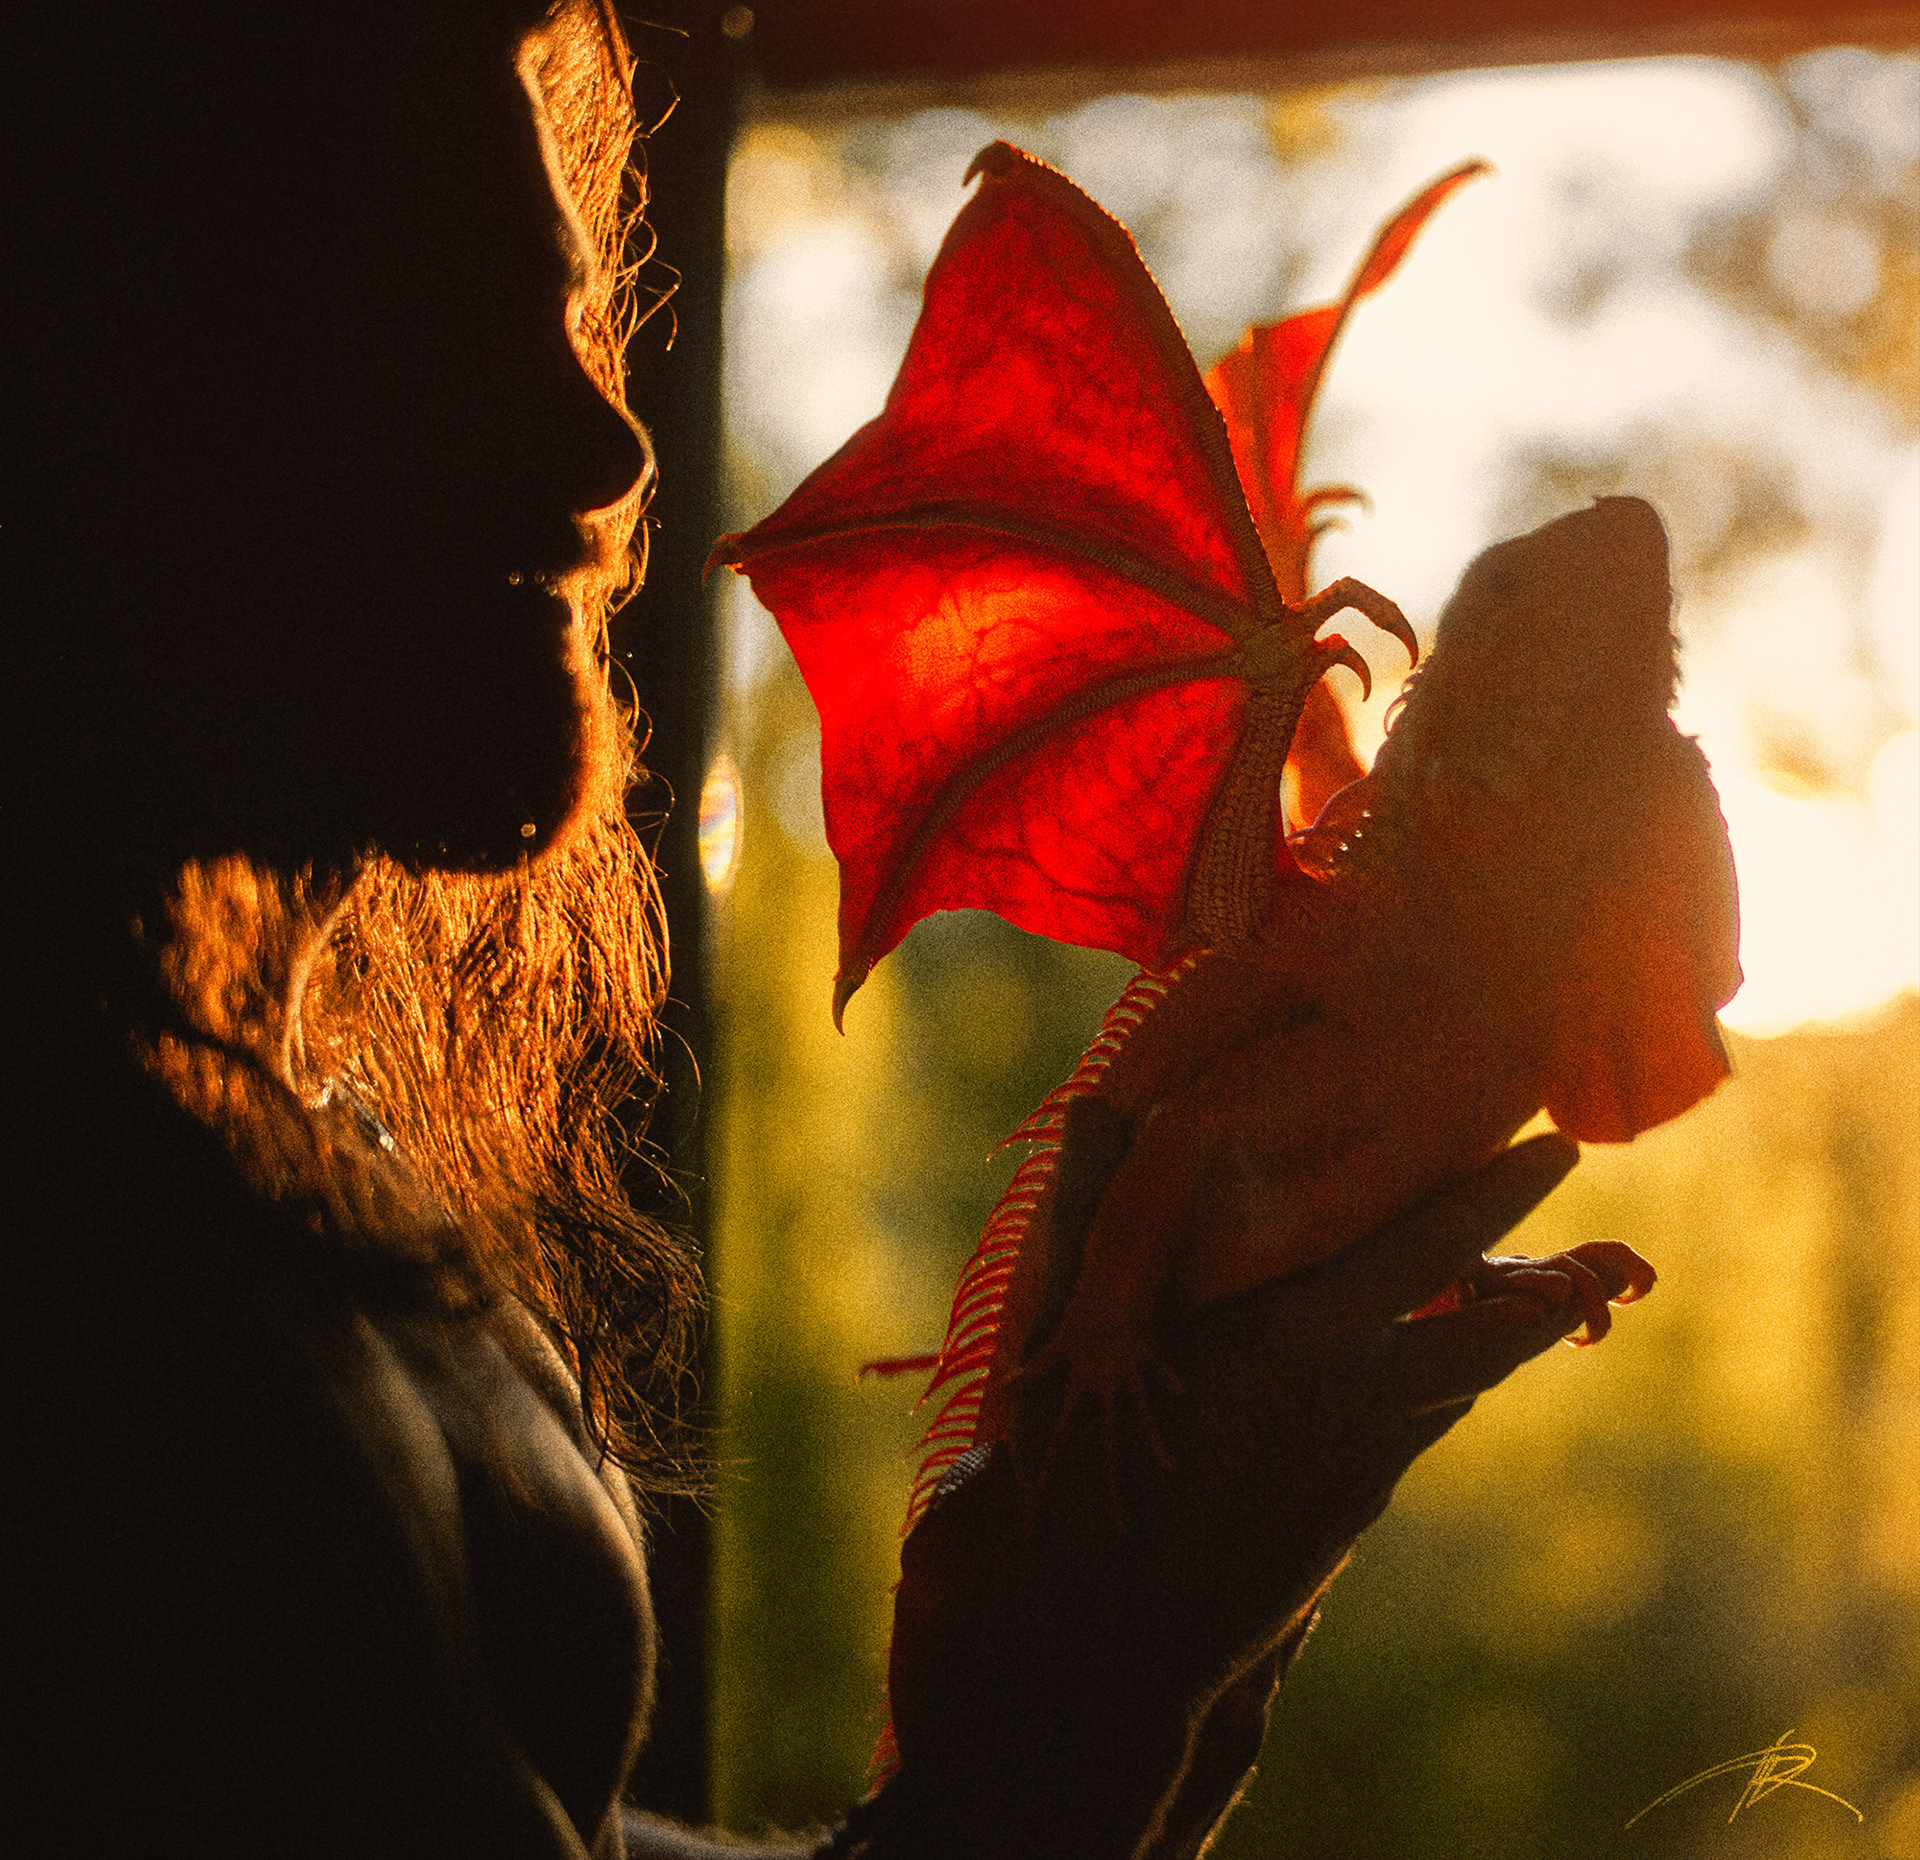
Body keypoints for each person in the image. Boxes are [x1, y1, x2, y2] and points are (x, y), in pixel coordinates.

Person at [2, 3, 1646, 1854]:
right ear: (112, 366)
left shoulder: (284, 1160)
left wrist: (1128, 1673)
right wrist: (1073, 1715)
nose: (607, 446)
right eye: (432, 325)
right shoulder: (99, 1327)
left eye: (565, 318)